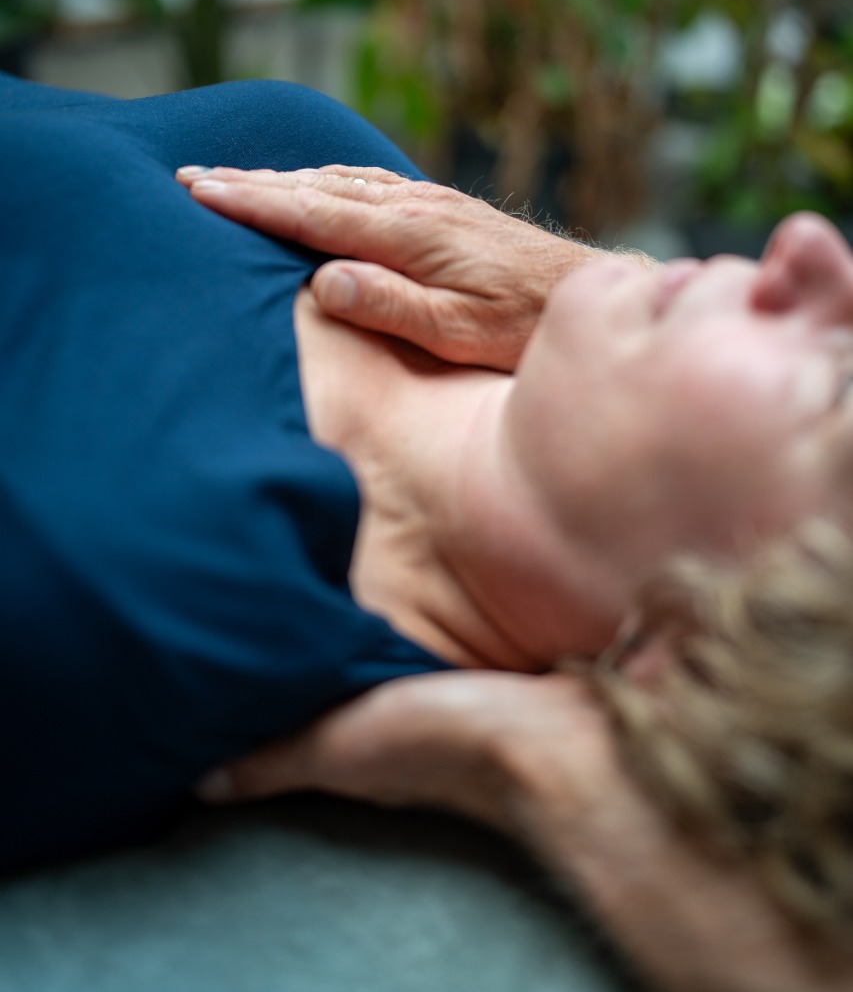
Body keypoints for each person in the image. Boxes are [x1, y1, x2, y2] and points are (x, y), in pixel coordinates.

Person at [1, 71, 850, 990]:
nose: (810, 246)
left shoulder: (151, 592)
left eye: (840, 382)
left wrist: (528, 758)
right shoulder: (431, 250)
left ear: (707, 654)